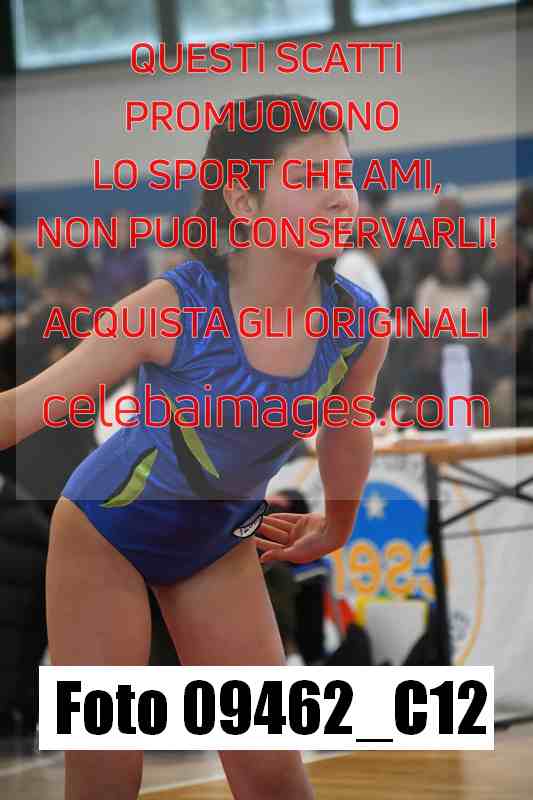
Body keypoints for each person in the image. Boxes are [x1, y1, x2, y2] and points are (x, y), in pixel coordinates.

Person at [0, 94, 388, 800]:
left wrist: (338, 520)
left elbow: (346, 425)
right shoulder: (169, 307)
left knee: (275, 778)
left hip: (217, 541)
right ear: (243, 200)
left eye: (344, 175)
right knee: (107, 774)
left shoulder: (359, 324)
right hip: (104, 538)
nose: (340, 195)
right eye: (311, 178)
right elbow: (21, 411)